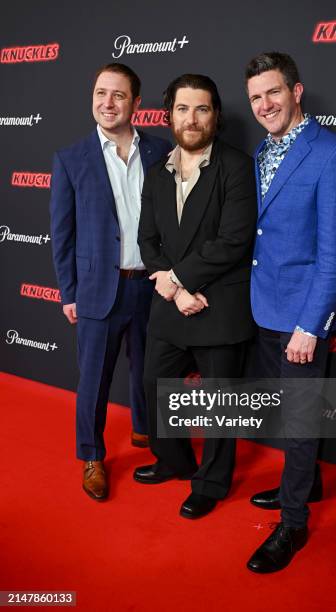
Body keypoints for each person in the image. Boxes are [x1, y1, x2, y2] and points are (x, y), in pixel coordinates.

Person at [245, 52, 336, 572]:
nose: (264, 104)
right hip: (262, 308)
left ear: (296, 92)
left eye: (273, 92)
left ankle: (293, 525)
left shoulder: (333, 154)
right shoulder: (259, 152)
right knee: (288, 413)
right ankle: (308, 483)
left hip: (300, 320)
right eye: (254, 98)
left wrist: (309, 326)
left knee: (299, 423)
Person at [134, 74, 257, 519]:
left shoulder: (238, 166)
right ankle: (175, 460)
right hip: (170, 303)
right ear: (169, 115)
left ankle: (211, 483)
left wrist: (179, 281)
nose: (192, 118)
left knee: (220, 403)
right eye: (183, 108)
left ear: (216, 115)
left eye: (202, 108)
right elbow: (147, 240)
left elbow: (233, 240)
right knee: (155, 386)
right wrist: (169, 285)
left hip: (218, 303)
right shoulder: (156, 173)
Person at [50, 63, 172, 501]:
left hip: (153, 287)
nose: (107, 103)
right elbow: (61, 233)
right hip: (99, 289)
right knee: (94, 381)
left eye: (118, 95)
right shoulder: (70, 159)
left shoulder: (162, 152)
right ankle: (92, 456)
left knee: (150, 373)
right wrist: (69, 291)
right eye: (101, 93)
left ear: (137, 103)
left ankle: (148, 435)